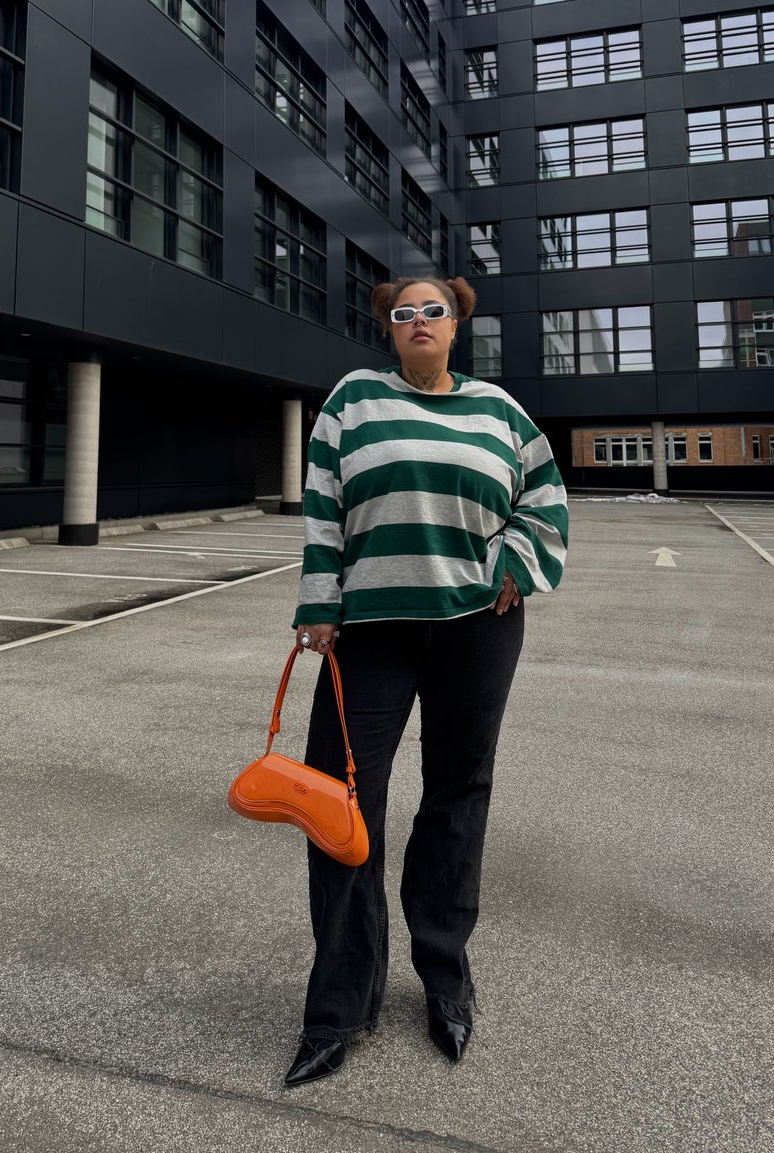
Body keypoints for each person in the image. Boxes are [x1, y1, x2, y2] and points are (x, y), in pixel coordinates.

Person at [285, 276, 568, 1086]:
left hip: (477, 626)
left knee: (457, 793)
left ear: (457, 324)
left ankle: (444, 976)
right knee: (339, 802)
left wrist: (517, 558)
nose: (417, 321)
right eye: (402, 312)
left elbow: (544, 496)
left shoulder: (498, 409)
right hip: (370, 632)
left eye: (432, 310)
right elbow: (321, 504)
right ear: (389, 327)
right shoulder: (353, 399)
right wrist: (318, 600)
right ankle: (340, 1004)